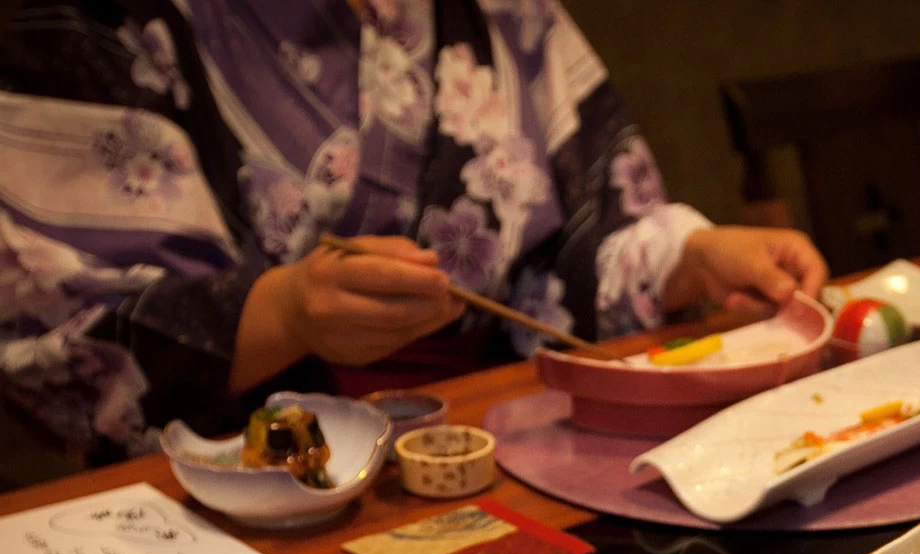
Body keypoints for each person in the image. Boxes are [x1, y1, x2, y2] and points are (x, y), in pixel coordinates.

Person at [0, 1, 827, 463]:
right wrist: (287, 313)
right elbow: (63, 334)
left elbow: (573, 237)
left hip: (489, 450)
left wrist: (691, 255)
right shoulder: (97, 24)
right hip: (234, 487)